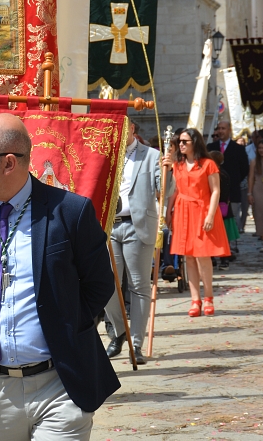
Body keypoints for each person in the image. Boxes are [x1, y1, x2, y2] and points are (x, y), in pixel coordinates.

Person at [0, 113, 120, 440]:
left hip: (60, 383)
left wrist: (65, 325)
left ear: (9, 163)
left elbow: (99, 284)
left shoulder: (70, 211)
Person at [104, 118, 165, 365]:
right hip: (110, 226)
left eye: (124, 127)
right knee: (107, 284)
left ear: (132, 129)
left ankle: (136, 344)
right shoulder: (105, 154)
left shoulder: (151, 155)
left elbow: (166, 190)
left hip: (138, 224)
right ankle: (120, 332)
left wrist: (168, 170)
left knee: (139, 285)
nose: (120, 132)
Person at [165, 128, 230, 318]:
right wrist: (168, 211)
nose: (181, 144)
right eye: (180, 142)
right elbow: (174, 190)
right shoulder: (177, 165)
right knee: (189, 257)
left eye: (185, 141)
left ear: (195, 143)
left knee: (203, 256)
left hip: (202, 210)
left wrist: (210, 215)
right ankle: (195, 300)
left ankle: (208, 297)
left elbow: (216, 190)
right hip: (183, 211)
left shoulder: (208, 164)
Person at [207, 121, 249, 234]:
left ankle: (232, 244)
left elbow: (245, 168)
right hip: (212, 191)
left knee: (232, 218)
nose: (220, 131)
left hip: (232, 191)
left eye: (223, 128)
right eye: (219, 128)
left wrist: (233, 181)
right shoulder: (210, 147)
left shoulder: (238, 149)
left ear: (229, 130)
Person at [208, 151, 239, 270]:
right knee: (220, 236)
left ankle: (223, 259)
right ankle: (217, 259)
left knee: (220, 236)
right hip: (223, 208)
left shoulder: (219, 174)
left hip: (219, 209)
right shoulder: (223, 173)